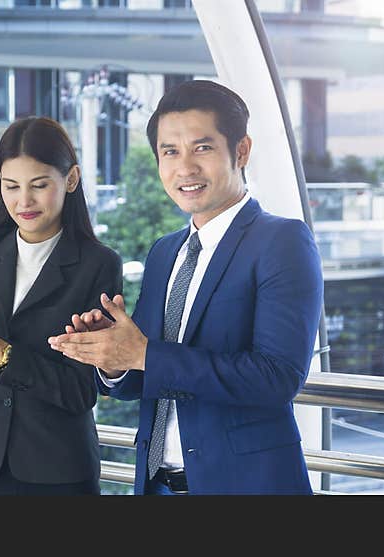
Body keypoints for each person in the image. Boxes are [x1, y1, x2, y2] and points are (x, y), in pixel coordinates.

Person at [48, 80, 323, 495]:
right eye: (170, 152)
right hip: (157, 486)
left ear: (241, 150)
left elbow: (277, 377)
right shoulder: (165, 252)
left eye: (203, 148)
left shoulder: (282, 242)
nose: (185, 168)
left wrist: (144, 354)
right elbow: (148, 375)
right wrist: (114, 360)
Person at [0, 117, 122, 495]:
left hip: (59, 471)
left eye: (39, 185)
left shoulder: (98, 265)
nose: (23, 201)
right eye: (11, 186)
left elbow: (81, 393)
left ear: (71, 179)